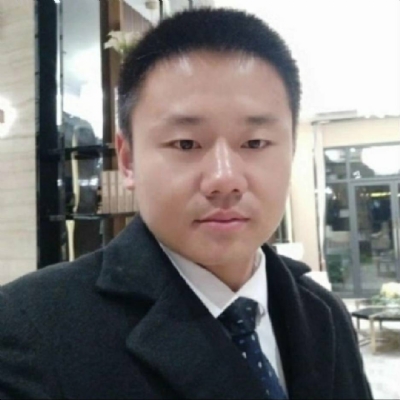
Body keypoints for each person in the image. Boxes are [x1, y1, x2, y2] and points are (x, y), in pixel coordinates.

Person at [0, 8, 372, 400]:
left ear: (291, 149)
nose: (225, 179)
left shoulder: (324, 313)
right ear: (128, 159)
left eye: (255, 142)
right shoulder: (31, 330)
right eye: (186, 144)